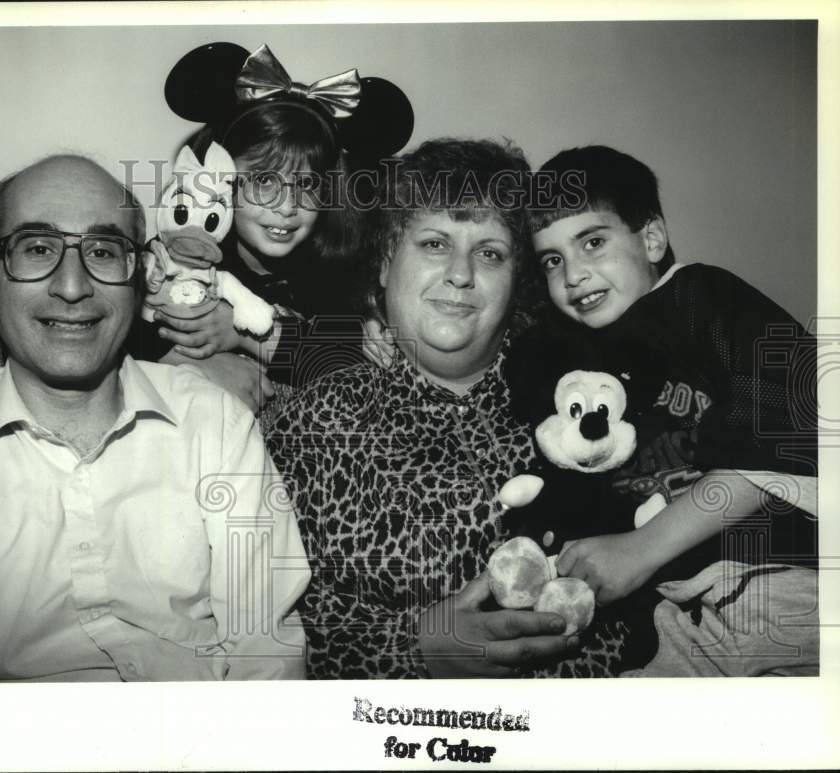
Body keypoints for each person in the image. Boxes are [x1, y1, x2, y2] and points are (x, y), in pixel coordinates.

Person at [0, 154, 311, 682]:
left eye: (103, 251)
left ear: (142, 274)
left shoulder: (216, 423)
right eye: (38, 248)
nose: (73, 286)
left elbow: (268, 656)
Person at [264, 138, 638, 679]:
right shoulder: (312, 424)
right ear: (386, 262)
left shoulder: (590, 399)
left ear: (517, 283)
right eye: (435, 244)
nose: (461, 274)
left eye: (490, 254)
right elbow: (275, 622)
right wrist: (417, 647)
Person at [528, 145, 818, 607]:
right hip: (678, 603)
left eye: (593, 243)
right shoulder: (577, 352)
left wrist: (642, 549)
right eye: (552, 260)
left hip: (784, 566)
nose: (573, 274)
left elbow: (786, 424)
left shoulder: (702, 298)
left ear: (651, 240)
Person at [134, 42, 414, 412]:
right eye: (265, 181)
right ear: (222, 177)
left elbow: (351, 373)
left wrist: (246, 336)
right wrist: (193, 364)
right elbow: (121, 332)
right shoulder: (180, 256)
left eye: (307, 185)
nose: (287, 207)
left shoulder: (341, 275)